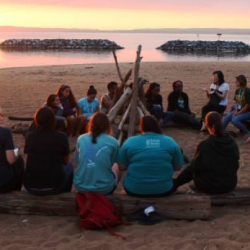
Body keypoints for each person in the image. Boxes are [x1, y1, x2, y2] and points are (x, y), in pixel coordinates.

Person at [118, 115, 184, 197]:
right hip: (163, 189)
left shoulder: (130, 141)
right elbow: (178, 167)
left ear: (140, 127)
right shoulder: (169, 141)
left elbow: (121, 167)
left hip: (134, 189)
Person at [174, 112, 239, 194]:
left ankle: (176, 183)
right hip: (230, 184)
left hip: (209, 186)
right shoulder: (232, 141)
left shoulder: (206, 145)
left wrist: (177, 182)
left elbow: (195, 167)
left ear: (207, 126)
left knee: (194, 169)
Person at [24, 107, 73, 195]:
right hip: (53, 186)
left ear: (37, 120)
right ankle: (66, 193)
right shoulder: (61, 136)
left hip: (31, 186)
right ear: (53, 120)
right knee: (69, 166)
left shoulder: (30, 136)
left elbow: (28, 154)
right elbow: (66, 160)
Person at [74, 112, 120, 195]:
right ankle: (110, 192)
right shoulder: (113, 142)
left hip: (80, 186)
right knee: (116, 165)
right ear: (107, 126)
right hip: (104, 188)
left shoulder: (81, 138)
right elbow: (112, 163)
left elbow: (78, 160)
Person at [0, 112, 24, 193]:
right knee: (19, 160)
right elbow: (11, 160)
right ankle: (15, 191)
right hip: (3, 182)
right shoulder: (5, 132)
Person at [223, 75, 250, 143]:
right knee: (227, 118)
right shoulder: (238, 91)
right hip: (239, 110)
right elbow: (236, 103)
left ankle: (248, 132)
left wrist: (238, 113)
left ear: (241, 82)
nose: (235, 82)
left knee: (235, 120)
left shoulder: (247, 91)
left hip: (247, 111)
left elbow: (247, 106)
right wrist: (235, 111)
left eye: (237, 81)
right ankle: (220, 133)